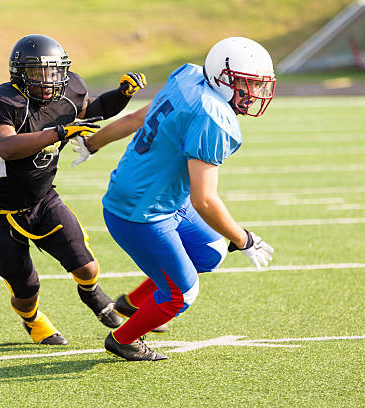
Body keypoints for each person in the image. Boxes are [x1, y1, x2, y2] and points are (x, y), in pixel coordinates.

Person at [71, 37, 276, 360]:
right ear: (222, 77)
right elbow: (204, 200)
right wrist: (244, 238)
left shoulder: (190, 76)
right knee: (182, 294)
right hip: (141, 212)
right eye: (243, 84)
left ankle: (134, 303)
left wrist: (94, 142)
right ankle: (123, 339)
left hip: (160, 196)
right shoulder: (213, 116)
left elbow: (140, 118)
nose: (250, 93)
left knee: (211, 253)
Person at [0, 34, 147, 345]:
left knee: (87, 265)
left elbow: (94, 108)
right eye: (37, 73)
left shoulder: (70, 91)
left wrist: (122, 94)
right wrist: (58, 132)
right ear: (19, 74)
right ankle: (33, 320)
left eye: (53, 72)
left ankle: (92, 295)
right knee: (26, 290)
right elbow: (7, 146)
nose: (47, 80)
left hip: (42, 199)